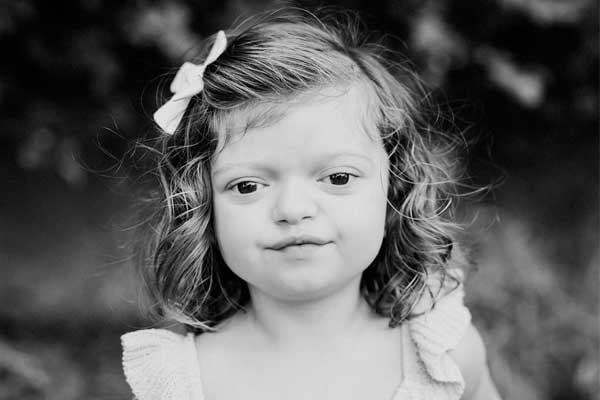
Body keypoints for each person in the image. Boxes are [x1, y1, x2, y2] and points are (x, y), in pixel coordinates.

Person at [121, 8, 502, 400]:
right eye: (248, 186)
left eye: (338, 178)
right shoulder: (185, 383)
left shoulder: (445, 360)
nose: (292, 209)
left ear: (395, 189)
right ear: (202, 209)